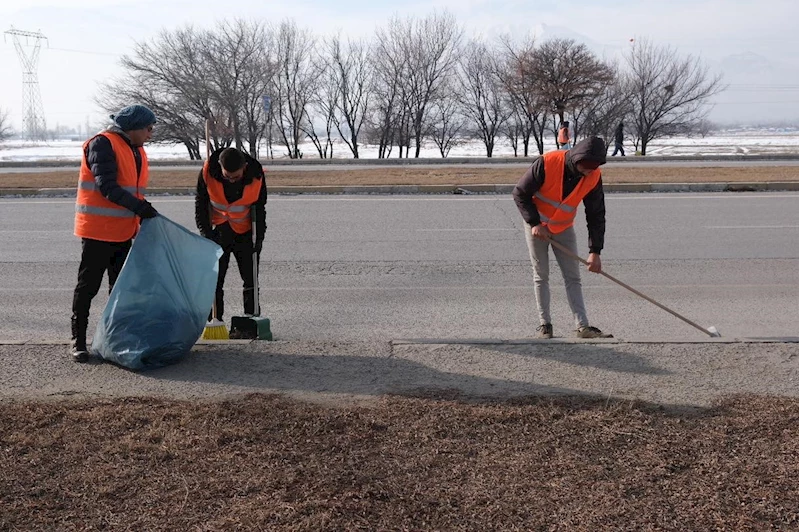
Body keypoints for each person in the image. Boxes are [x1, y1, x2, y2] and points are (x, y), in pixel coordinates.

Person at [70, 104, 159, 362]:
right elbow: (107, 186)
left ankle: (114, 340)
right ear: (133, 128)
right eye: (148, 128)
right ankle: (78, 340)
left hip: (123, 231)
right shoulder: (102, 144)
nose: (151, 134)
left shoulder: (135, 148)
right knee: (88, 287)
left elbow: (131, 189)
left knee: (120, 290)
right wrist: (140, 208)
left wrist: (140, 212)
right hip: (97, 231)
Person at [512, 136, 612, 339]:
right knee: (541, 275)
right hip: (537, 227)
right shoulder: (548, 162)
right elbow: (520, 193)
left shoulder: (593, 175)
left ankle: (582, 326)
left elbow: (596, 214)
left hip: (563, 227)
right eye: (586, 168)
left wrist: (595, 251)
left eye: (593, 168)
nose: (589, 172)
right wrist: (535, 223)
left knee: (573, 277)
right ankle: (545, 325)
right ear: (576, 160)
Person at [195, 147, 267, 329]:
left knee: (250, 278)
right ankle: (214, 320)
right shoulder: (208, 172)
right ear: (220, 167)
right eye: (227, 176)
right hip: (219, 232)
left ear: (244, 167)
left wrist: (259, 237)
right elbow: (201, 204)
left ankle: (251, 318)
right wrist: (205, 232)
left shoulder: (256, 175)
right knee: (215, 279)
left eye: (236, 176)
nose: (232, 180)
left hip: (245, 233)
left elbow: (260, 207)